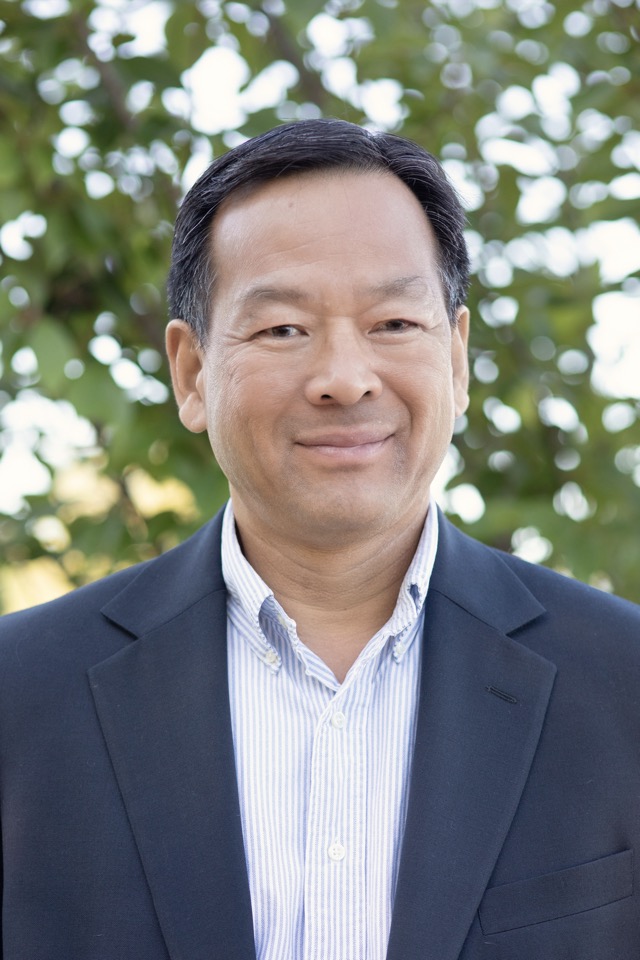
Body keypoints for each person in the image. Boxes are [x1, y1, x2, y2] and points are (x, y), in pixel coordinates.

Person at [1, 118, 639, 960]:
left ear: (456, 358)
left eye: (393, 324)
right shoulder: (22, 694)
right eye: (283, 330)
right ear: (192, 375)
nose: (344, 378)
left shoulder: (623, 682)